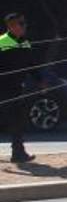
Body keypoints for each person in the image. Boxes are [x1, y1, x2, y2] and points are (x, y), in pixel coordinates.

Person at [0, 12, 35, 163]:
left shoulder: (25, 42)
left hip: (17, 87)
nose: (24, 26)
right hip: (3, 87)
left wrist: (40, 80)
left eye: (24, 23)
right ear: (11, 26)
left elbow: (31, 64)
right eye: (21, 23)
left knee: (17, 120)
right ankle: (18, 152)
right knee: (13, 119)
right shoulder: (2, 41)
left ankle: (18, 153)